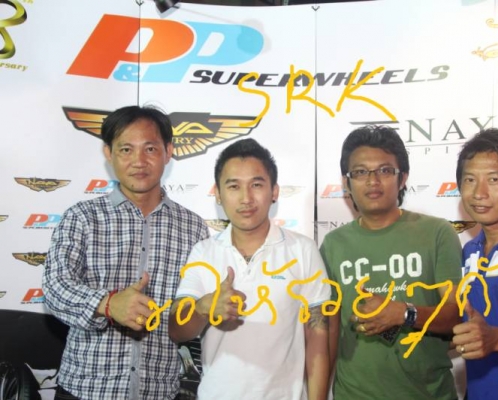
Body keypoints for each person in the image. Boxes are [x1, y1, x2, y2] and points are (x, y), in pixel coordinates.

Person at [42, 105, 209, 400]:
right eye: (126, 149)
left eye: (150, 149)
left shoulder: (194, 228)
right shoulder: (82, 217)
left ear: (169, 152)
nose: (139, 161)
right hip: (85, 389)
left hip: (158, 391)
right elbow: (55, 288)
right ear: (109, 153)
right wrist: (107, 304)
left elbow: (192, 311)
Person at [168, 138, 330, 400]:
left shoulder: (302, 250)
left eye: (256, 185)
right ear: (217, 194)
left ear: (274, 191)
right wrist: (203, 307)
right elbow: (177, 330)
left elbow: (318, 338)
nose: (246, 198)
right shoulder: (203, 252)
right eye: (234, 186)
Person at [319, 125, 462, 400]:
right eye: (361, 172)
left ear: (403, 178)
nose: (373, 181)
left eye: (385, 170)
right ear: (347, 183)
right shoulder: (333, 244)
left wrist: (404, 313)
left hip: (428, 394)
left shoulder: (437, 232)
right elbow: (329, 331)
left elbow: (457, 315)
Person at [452, 128, 498, 400]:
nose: (480, 193)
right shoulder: (469, 251)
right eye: (470, 179)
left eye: (494, 179)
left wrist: (496, 339)